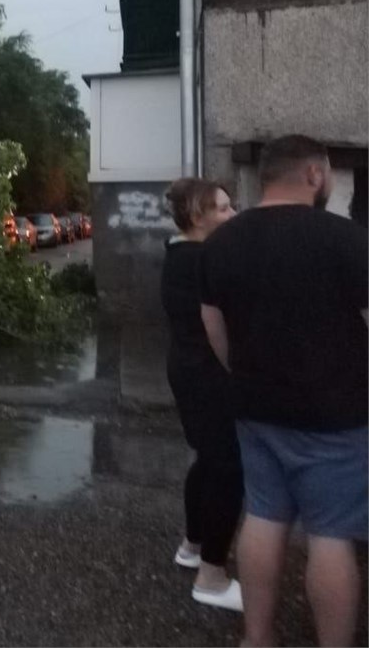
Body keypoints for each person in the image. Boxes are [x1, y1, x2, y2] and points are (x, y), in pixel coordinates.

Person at [200, 135, 369, 647]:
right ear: (315, 174)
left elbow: (214, 327)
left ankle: (258, 638)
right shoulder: (348, 239)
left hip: (255, 409)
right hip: (336, 416)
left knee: (265, 517)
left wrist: (246, 374)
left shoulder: (221, 242)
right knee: (331, 536)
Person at [161, 177, 243, 611]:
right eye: (224, 208)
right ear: (198, 217)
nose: (233, 215)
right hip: (209, 375)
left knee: (208, 460)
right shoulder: (202, 260)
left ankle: (193, 545)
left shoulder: (179, 255)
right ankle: (212, 576)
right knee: (228, 468)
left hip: (188, 370)